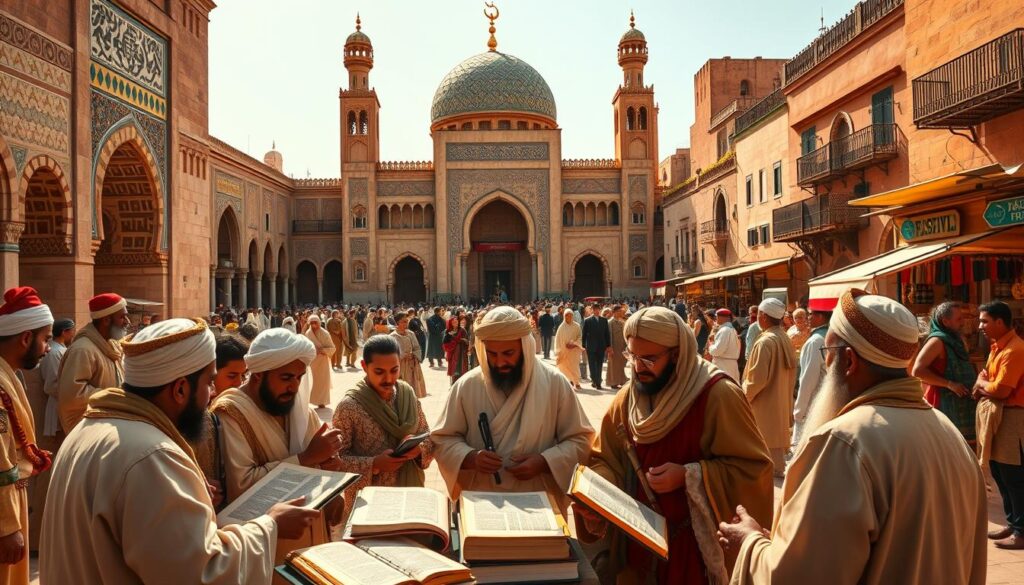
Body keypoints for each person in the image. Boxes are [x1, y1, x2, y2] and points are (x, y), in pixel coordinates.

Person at [720, 288, 988, 584]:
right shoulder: (948, 431)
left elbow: (798, 577)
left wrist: (750, 545)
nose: (826, 365)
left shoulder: (844, 442)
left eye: (828, 354)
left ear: (848, 361)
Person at [41, 318, 319, 584]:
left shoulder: (87, 430)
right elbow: (201, 574)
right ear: (180, 389)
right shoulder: (151, 455)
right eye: (210, 382)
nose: (212, 394)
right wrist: (270, 528)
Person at [579, 306, 772, 584]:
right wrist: (596, 495)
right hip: (638, 548)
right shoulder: (627, 397)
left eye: (648, 359)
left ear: (677, 354)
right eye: (631, 356)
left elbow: (754, 470)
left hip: (691, 555)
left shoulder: (717, 395)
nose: (637, 367)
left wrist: (689, 475)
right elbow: (606, 459)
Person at [431, 307, 594, 510]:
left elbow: (581, 440)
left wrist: (545, 461)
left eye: (508, 353)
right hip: (482, 501)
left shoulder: (555, 384)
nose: (500, 362)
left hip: (539, 501)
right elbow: (442, 439)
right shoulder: (467, 386)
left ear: (524, 347)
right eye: (492, 354)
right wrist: (469, 457)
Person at [210, 328, 344, 570]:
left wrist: (331, 474)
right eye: (285, 378)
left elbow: (325, 471)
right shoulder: (230, 412)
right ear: (258, 375)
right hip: (265, 551)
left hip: (313, 548)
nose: (294, 387)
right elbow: (240, 487)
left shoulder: (300, 410)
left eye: (299, 378)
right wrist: (306, 459)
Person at [331, 335, 433, 524]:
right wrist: (374, 464)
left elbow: (427, 435)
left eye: (394, 370)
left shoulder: (407, 394)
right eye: (379, 372)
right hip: (368, 507)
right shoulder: (349, 407)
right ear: (364, 366)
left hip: (409, 498)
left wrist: (418, 450)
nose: (389, 379)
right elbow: (334, 462)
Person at [0, 288, 54, 585]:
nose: (48, 348)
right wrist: (7, 525)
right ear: (25, 338)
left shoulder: (9, 374)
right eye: (45, 339)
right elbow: (1, 460)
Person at [973, 300, 1024, 550]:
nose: (980, 325)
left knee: (1014, 477)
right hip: (1001, 418)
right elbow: (985, 378)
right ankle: (1014, 525)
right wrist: (984, 383)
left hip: (1013, 419)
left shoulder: (1015, 350)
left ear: (1000, 322)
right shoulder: (997, 348)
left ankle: (1022, 531)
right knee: (1002, 474)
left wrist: (982, 385)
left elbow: (1001, 390)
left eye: (984, 321)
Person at [742, 298, 798, 477]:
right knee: (774, 439)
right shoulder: (783, 337)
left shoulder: (766, 341)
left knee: (763, 440)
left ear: (764, 316)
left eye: (758, 313)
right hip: (780, 398)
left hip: (764, 401)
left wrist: (743, 397)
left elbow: (756, 380)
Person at [56, 293, 128, 434]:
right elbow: (72, 395)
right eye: (122, 317)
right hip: (89, 429)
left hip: (109, 424)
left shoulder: (112, 345)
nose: (127, 321)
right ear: (106, 320)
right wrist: (114, 395)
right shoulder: (83, 349)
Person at [911, 301, 977, 442]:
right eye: (959, 319)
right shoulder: (937, 341)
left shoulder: (957, 339)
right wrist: (949, 384)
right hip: (945, 402)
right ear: (946, 321)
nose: (963, 322)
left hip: (963, 403)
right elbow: (917, 370)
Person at [792, 297, 835, 447]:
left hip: (814, 401)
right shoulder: (831, 335)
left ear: (820, 316)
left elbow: (808, 378)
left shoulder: (815, 341)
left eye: (811, 314)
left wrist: (799, 409)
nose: (808, 318)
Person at [40, 318, 74, 439]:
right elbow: (51, 385)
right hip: (58, 405)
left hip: (66, 403)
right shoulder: (54, 352)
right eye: (72, 330)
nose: (73, 333)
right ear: (64, 332)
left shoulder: (61, 350)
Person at [391, 314, 427, 398]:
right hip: (400, 366)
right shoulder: (392, 336)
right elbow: (392, 353)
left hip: (412, 365)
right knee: (401, 391)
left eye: (407, 321)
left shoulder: (411, 334)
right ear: (397, 323)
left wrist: (414, 355)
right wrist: (403, 355)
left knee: (413, 389)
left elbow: (417, 347)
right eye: (403, 321)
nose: (406, 323)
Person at [303, 315, 335, 409]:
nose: (313, 325)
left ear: (319, 323)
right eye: (311, 323)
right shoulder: (308, 334)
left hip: (322, 361)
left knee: (322, 382)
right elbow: (306, 347)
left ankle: (322, 402)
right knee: (311, 381)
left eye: (315, 322)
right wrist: (313, 351)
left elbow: (332, 348)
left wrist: (322, 350)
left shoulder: (325, 333)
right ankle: (310, 400)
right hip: (312, 362)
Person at [582, 303, 613, 390]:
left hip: (601, 346)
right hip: (591, 346)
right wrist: (583, 346)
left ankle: (598, 382)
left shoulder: (604, 320)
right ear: (592, 310)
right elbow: (584, 334)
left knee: (599, 364)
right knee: (592, 364)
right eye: (595, 309)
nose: (597, 311)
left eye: (598, 309)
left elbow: (607, 334)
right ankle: (594, 380)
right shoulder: (587, 321)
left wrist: (608, 345)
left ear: (600, 310)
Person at [706, 308, 740, 381]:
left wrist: (711, 343)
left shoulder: (725, 330)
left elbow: (717, 350)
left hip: (724, 366)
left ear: (722, 318)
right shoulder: (730, 329)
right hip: (728, 364)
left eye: (716, 317)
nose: (715, 319)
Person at [554, 309, 583, 389]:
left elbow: (580, 337)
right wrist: (558, 351)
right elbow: (557, 340)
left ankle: (576, 382)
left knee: (574, 367)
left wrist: (574, 344)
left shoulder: (577, 326)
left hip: (574, 351)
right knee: (564, 367)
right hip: (564, 351)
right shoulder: (561, 327)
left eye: (570, 315)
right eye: (567, 315)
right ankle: (569, 381)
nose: (569, 317)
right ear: (564, 316)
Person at [443, 317, 471, 385]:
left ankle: (463, 383)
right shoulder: (447, 331)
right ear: (451, 323)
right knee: (454, 368)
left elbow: (467, 341)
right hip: (452, 353)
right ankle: (454, 383)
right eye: (454, 322)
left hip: (462, 352)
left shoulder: (462, 330)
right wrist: (454, 341)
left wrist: (463, 341)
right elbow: (445, 344)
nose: (456, 323)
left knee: (462, 367)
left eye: (457, 322)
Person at [606, 305, 628, 389]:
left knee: (621, 364)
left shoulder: (622, 322)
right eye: (619, 311)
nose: (621, 313)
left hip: (621, 347)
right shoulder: (610, 322)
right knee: (613, 365)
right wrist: (610, 348)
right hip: (614, 348)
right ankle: (613, 382)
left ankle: (621, 380)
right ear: (614, 312)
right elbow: (609, 336)